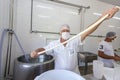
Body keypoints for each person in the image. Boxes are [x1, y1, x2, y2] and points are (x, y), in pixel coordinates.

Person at [30, 7, 119, 74]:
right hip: (60, 74)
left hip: (74, 73)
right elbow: (44, 50)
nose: (65, 32)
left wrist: (102, 18)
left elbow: (87, 31)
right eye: (63, 31)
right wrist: (36, 51)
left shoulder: (74, 41)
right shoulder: (54, 44)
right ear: (60, 33)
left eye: (67, 31)